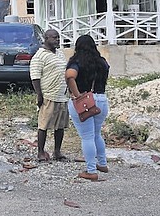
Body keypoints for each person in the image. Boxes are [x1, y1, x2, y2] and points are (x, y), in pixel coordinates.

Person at [65, 34, 110, 181]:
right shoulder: (102, 62)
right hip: (102, 100)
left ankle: (91, 170)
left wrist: (77, 95)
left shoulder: (77, 62)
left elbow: (70, 75)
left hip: (85, 101)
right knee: (97, 134)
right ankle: (102, 163)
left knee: (87, 137)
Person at [30, 29, 69, 162]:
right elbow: (35, 76)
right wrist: (39, 95)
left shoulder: (60, 54)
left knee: (60, 126)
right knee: (44, 125)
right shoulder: (39, 56)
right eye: (54, 38)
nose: (57, 40)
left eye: (58, 37)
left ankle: (57, 152)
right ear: (46, 39)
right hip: (48, 95)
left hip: (62, 95)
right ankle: (40, 152)